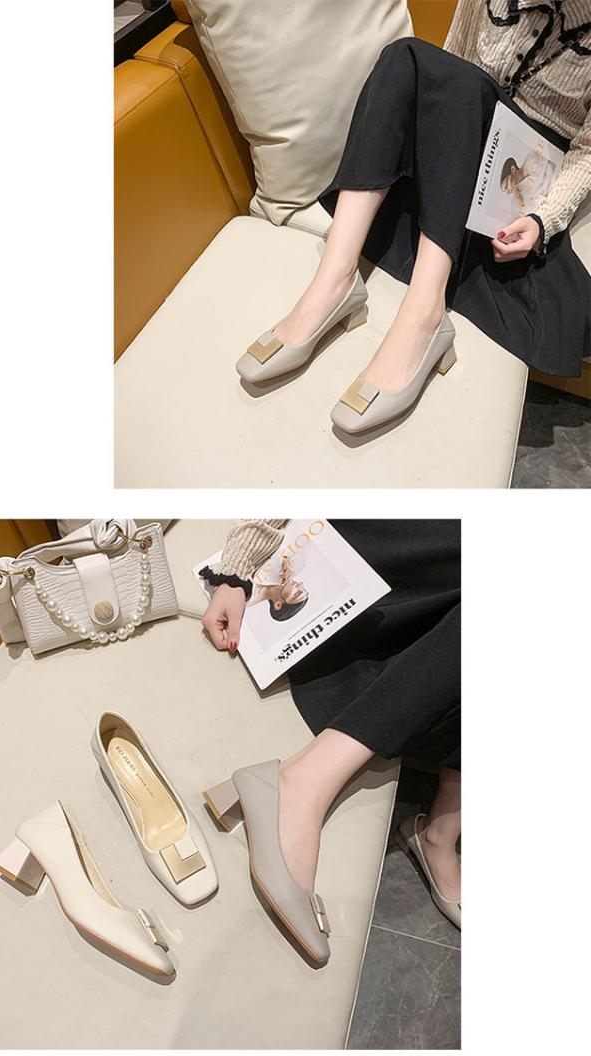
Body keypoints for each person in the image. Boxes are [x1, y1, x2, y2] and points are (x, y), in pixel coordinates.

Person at [237, 0, 590, 433]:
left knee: (458, 80)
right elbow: (453, 64)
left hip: (526, 175)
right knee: (405, 56)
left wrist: (543, 219)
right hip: (468, 140)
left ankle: (425, 311)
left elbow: (589, 151)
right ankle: (334, 278)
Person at [202, 518, 461, 928]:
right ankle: (304, 781)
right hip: (379, 580)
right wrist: (235, 573)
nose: (293, 589)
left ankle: (439, 829)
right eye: (293, 593)